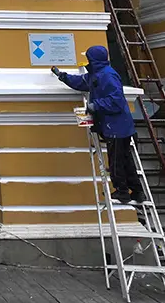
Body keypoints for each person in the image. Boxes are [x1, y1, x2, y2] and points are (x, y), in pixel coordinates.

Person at [52, 46, 143, 204]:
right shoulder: (98, 74)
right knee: (125, 160)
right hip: (118, 127)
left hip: (116, 128)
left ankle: (122, 192)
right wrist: (62, 76)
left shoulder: (107, 75)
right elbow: (81, 82)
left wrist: (96, 105)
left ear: (93, 59)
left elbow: (117, 101)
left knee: (117, 162)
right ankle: (137, 192)